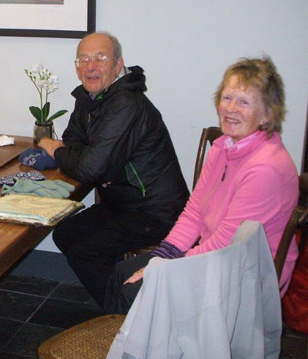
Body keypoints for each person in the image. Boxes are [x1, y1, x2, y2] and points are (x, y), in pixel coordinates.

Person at [104, 56, 299, 314]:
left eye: (244, 102)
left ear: (266, 115)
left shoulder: (265, 167)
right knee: (120, 275)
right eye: (227, 98)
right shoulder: (223, 148)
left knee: (135, 291)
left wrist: (166, 268)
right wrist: (165, 254)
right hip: (216, 259)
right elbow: (194, 210)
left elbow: (227, 245)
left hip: (244, 275)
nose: (231, 108)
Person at [38, 31, 189, 307]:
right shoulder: (90, 97)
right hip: (123, 202)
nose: (90, 66)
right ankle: (125, 297)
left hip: (155, 210)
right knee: (65, 234)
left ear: (118, 64)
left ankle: (124, 316)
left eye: (100, 58)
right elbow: (75, 140)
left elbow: (89, 168)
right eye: (83, 59)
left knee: (85, 252)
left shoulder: (126, 103)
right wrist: (82, 154)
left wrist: (54, 149)